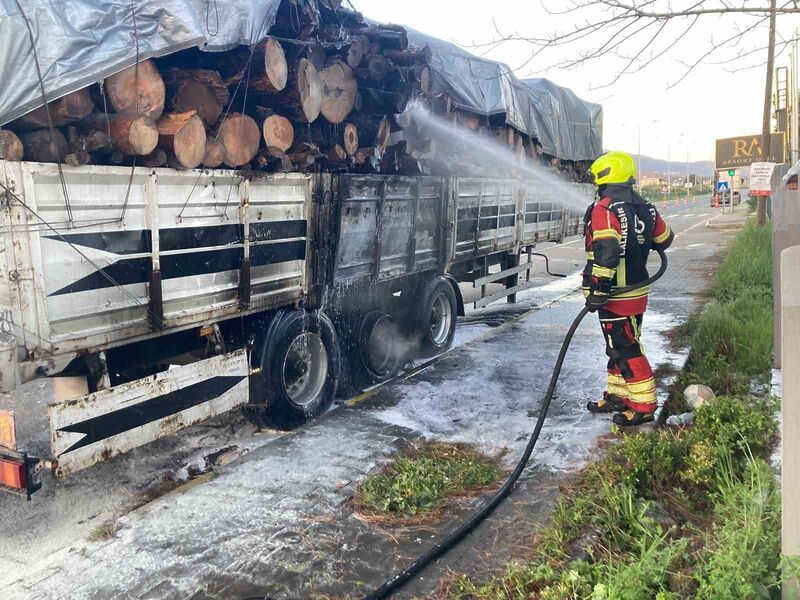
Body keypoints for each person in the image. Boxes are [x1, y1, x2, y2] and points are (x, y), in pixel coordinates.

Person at [582, 151, 674, 427]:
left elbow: (607, 252)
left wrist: (598, 289)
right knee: (617, 346)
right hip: (637, 292)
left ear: (605, 177)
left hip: (614, 295)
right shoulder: (646, 206)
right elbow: (665, 239)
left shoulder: (605, 208)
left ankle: (644, 405)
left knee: (625, 348)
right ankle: (618, 396)